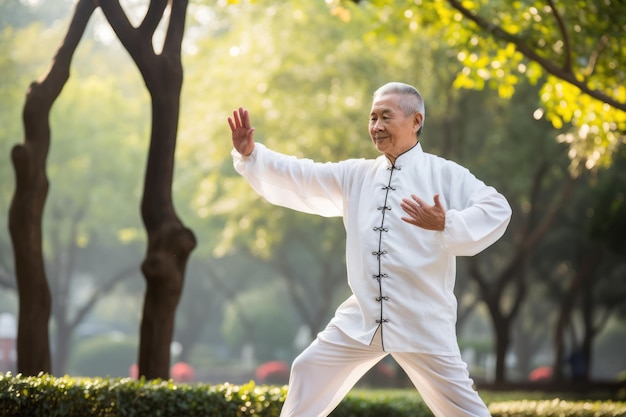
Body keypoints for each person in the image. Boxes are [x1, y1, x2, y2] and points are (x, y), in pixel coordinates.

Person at [228, 82, 511, 417]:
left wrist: (447, 223)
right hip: (362, 317)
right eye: (372, 117)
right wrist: (252, 155)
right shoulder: (357, 175)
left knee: (463, 410)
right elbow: (303, 175)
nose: (376, 127)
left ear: (416, 121)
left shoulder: (444, 174)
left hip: (422, 320)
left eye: (385, 117)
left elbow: (497, 208)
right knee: (308, 369)